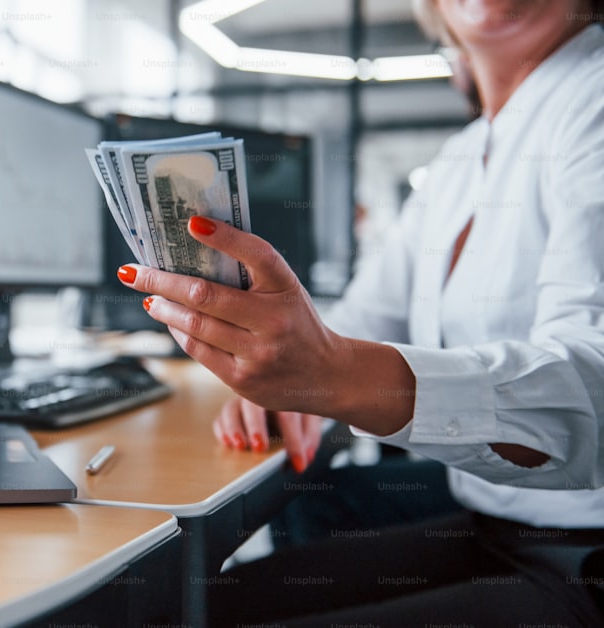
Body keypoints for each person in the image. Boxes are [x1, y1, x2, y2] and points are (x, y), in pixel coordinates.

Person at [116, 0, 604, 624]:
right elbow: (363, 318)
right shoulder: (463, 158)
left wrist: (335, 373)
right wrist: (283, 372)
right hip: (496, 520)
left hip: (582, 546)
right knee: (191, 604)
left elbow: (591, 389)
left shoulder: (590, 103)